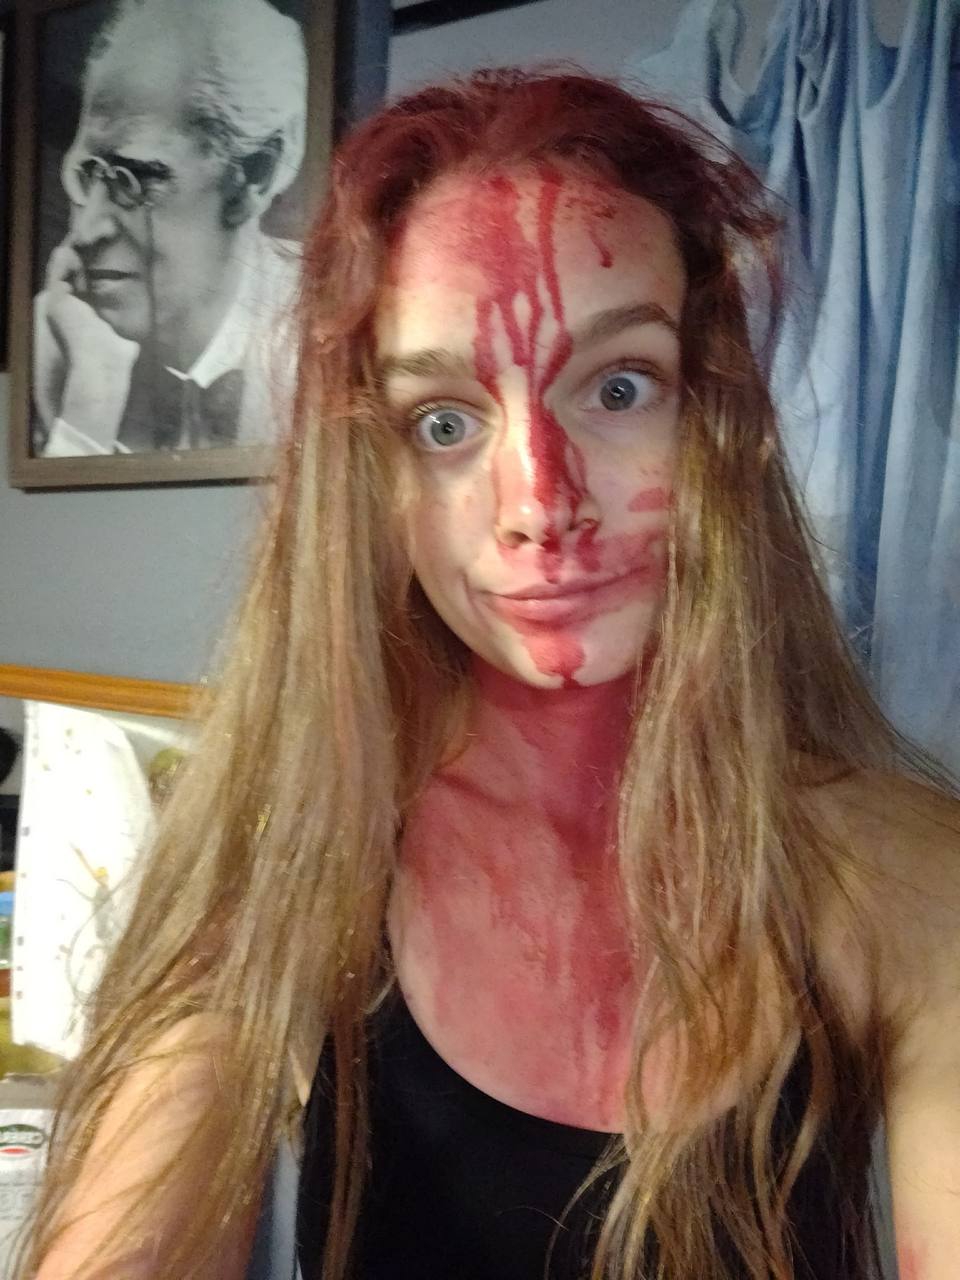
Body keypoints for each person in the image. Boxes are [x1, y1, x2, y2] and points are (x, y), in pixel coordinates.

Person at [17, 68, 960, 1280]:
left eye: (619, 388)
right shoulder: (302, 860)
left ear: (713, 417)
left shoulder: (899, 874)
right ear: (373, 478)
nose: (539, 505)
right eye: (444, 422)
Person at [34, 0, 306, 457]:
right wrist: (87, 409)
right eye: (88, 173)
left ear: (253, 176)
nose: (87, 230)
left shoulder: (334, 328)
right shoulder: (65, 340)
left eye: (138, 179)